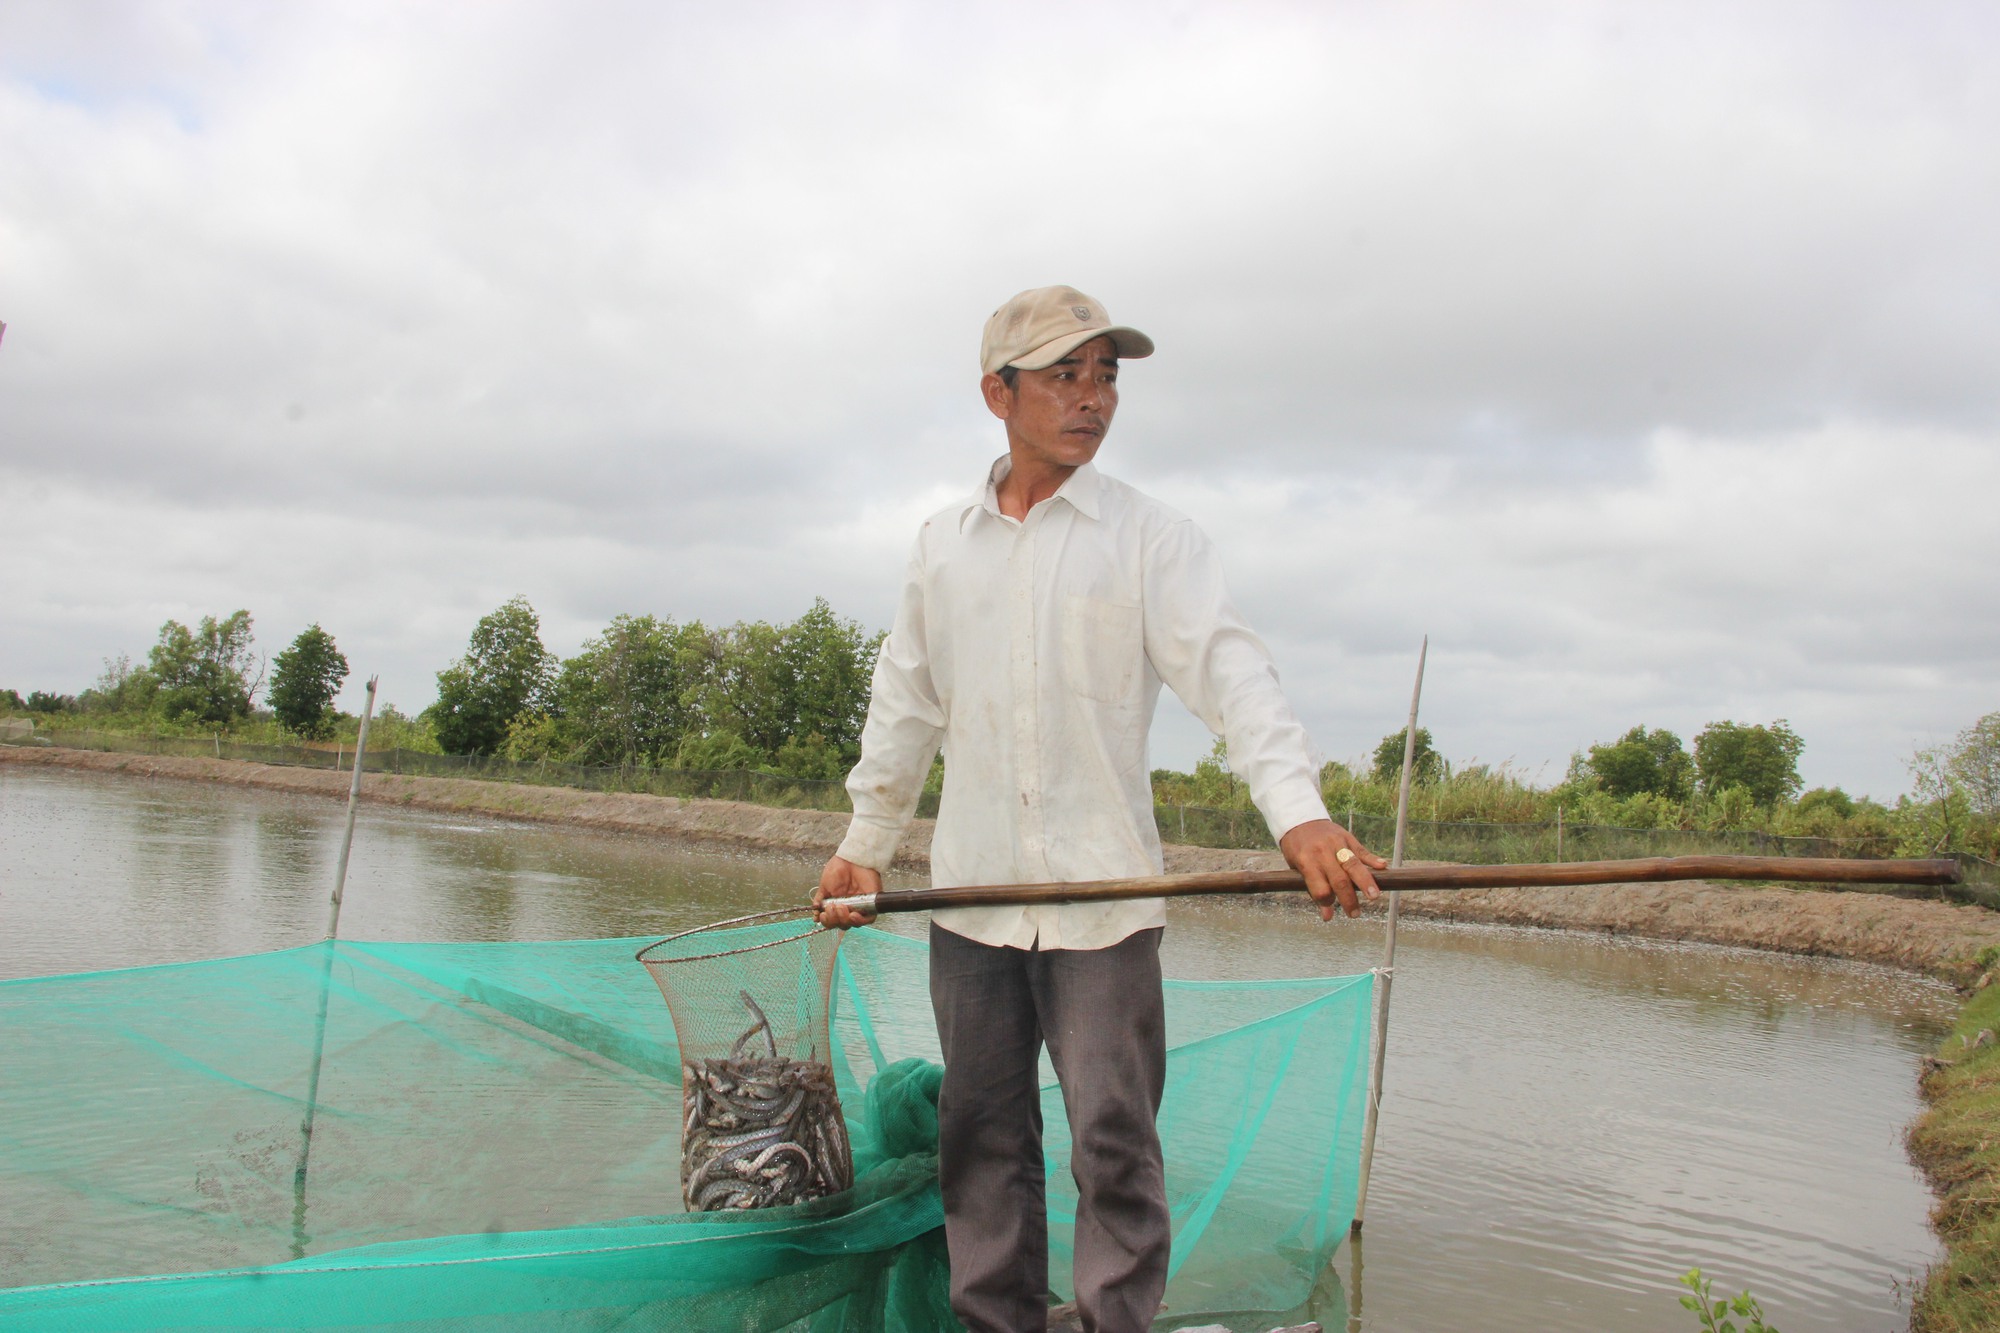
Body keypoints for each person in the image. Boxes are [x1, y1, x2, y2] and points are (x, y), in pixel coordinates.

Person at [814, 285, 1385, 1333]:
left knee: (1113, 1139)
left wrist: (1297, 815)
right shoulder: (942, 545)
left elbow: (1231, 673)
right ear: (998, 393)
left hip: (1104, 906)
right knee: (979, 1137)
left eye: (1106, 375)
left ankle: (1114, 1322)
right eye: (1064, 375)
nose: (1091, 399)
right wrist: (864, 845)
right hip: (973, 898)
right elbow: (905, 701)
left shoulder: (1152, 541)